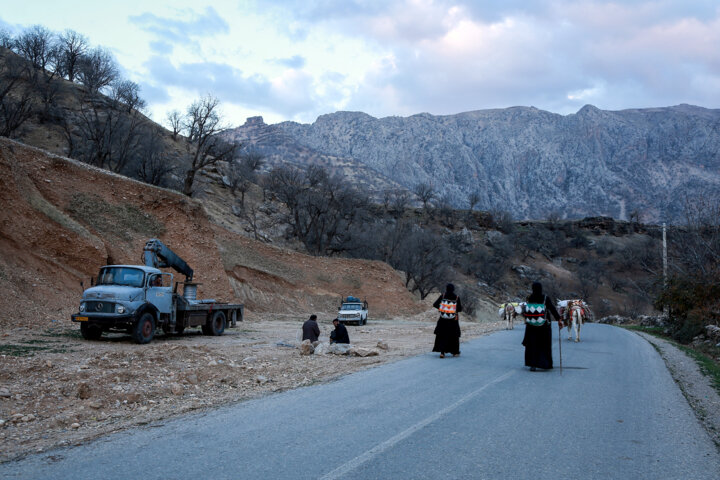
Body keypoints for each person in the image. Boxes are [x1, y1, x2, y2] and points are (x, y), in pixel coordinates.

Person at [521, 281, 561, 371]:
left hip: (531, 325)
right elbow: (552, 309)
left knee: (532, 344)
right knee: (544, 344)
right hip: (544, 325)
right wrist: (559, 319)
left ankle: (532, 364)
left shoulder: (529, 298)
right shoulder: (545, 298)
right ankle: (544, 364)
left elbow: (525, 311)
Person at [432, 283, 463, 358]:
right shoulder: (456, 297)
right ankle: (455, 352)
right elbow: (460, 309)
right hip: (453, 320)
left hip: (443, 319)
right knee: (454, 336)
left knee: (442, 335)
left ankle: (442, 353)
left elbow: (435, 304)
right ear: (453, 289)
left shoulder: (443, 296)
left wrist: (443, 308)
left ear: (446, 289)